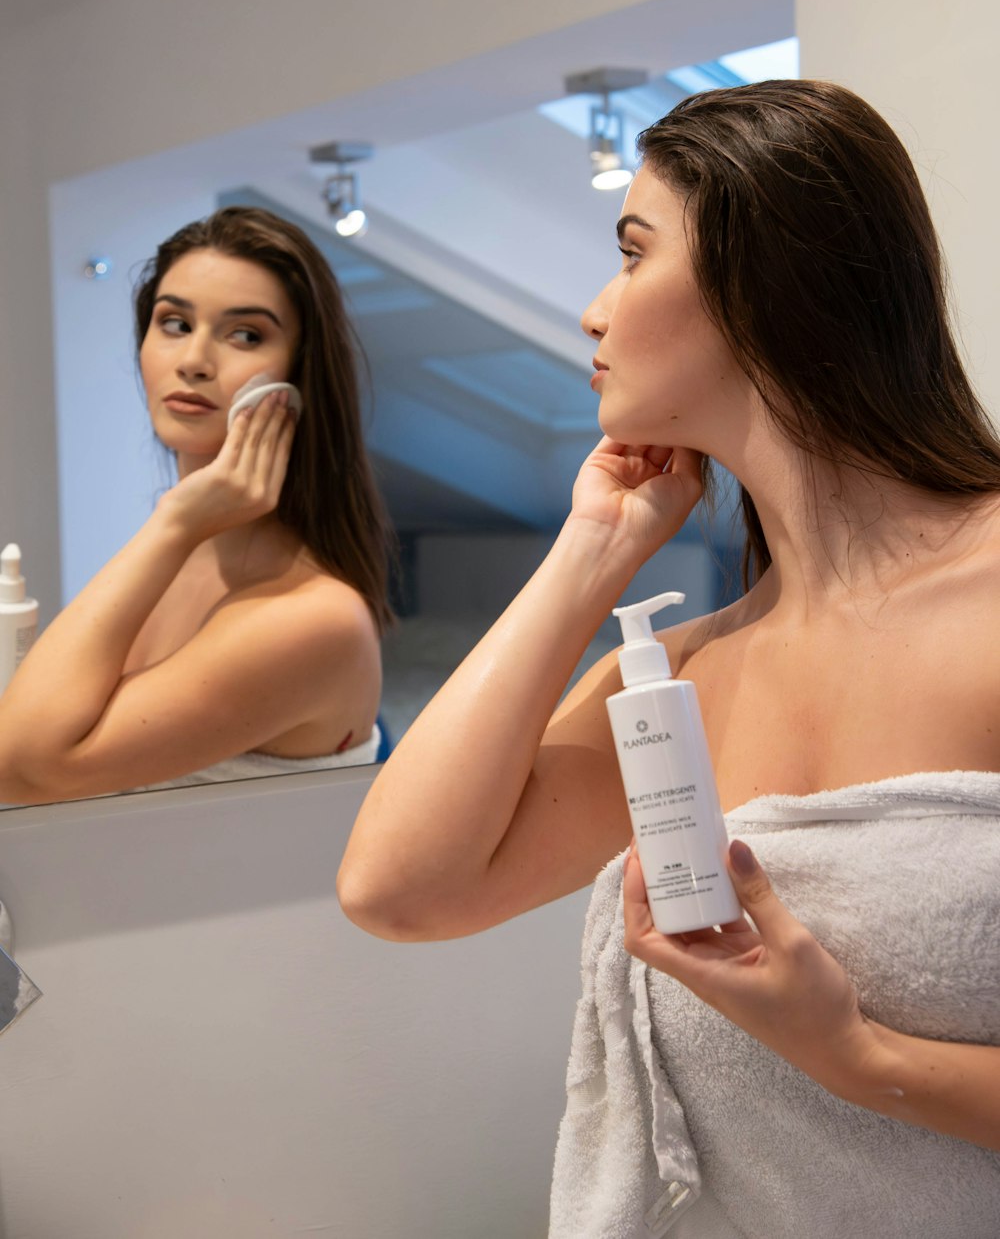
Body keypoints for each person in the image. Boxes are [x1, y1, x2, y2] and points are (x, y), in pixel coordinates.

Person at [338, 83, 1000, 1235]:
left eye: (632, 255)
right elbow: (401, 890)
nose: (594, 313)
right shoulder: (676, 685)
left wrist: (855, 1054)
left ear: (768, 284)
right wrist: (589, 554)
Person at [0, 206, 393, 803]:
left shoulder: (315, 618)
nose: (193, 361)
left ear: (300, 371)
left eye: (245, 335)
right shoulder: (183, 555)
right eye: (174, 323)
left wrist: (175, 521)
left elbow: (19, 767)